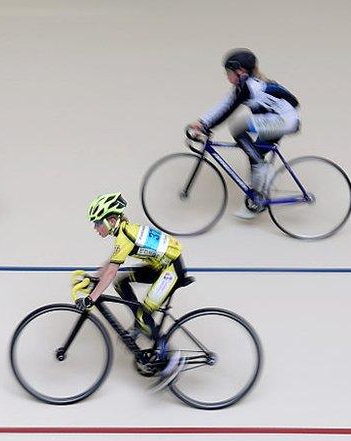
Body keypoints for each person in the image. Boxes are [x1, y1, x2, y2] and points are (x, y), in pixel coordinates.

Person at [73, 193, 187, 386]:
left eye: (97, 223)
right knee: (120, 283)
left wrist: (92, 298)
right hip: (161, 264)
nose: (95, 228)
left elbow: (109, 273)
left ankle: (171, 360)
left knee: (144, 315)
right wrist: (94, 277)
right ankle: (140, 326)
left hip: (170, 270)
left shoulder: (124, 236)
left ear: (111, 220)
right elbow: (111, 263)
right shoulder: (124, 232)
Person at [188, 48, 300, 219]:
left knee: (239, 127)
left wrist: (206, 127)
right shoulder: (244, 86)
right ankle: (256, 202)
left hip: (284, 121)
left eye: (228, 72)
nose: (227, 76)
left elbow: (229, 111)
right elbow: (224, 104)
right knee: (255, 155)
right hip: (275, 120)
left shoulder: (250, 87)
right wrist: (202, 121)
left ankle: (262, 169)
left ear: (240, 71)